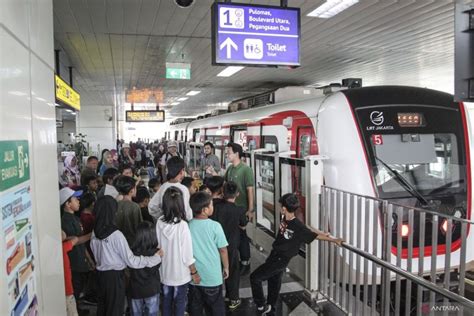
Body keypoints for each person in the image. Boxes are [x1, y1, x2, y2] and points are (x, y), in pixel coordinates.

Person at [250, 193, 343, 315]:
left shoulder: (297, 225)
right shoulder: (286, 218)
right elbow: (308, 228)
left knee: (255, 278)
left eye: (280, 206)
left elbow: (311, 234)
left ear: (284, 208)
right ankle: (271, 306)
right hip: (275, 254)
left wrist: (333, 239)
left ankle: (261, 306)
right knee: (274, 280)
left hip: (281, 258)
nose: (279, 208)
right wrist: (320, 232)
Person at [91, 196, 163, 316]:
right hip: (114, 277)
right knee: (115, 309)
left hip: (101, 276)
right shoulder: (116, 235)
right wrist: (155, 258)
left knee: (103, 308)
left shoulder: (95, 232)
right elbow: (131, 261)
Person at [156, 187, 199, 316]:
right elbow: (187, 255)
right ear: (181, 204)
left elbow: (158, 246)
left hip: (164, 271)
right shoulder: (183, 226)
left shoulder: (159, 222)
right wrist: (194, 272)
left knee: (166, 301)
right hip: (180, 273)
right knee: (180, 302)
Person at [188, 192, 229, 316]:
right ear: (205, 210)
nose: (213, 207)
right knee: (216, 308)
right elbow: (223, 249)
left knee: (196, 307)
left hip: (193, 276)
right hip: (212, 277)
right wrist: (226, 267)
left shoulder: (188, 226)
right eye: (211, 205)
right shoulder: (215, 226)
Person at [210, 181, 248, 310]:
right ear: (237, 194)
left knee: (216, 270)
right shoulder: (238, 210)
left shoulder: (216, 207)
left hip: (215, 245)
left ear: (223, 192)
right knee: (232, 271)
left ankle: (215, 298)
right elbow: (243, 225)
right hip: (231, 246)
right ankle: (233, 299)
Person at [224, 142, 254, 275]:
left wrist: (250, 209)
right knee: (234, 235)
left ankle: (245, 263)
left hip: (241, 209)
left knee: (242, 236)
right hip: (230, 208)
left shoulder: (246, 170)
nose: (227, 154)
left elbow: (250, 190)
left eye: (229, 152)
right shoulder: (230, 169)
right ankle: (234, 261)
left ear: (237, 153)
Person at [60, 188, 93, 304]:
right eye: (75, 199)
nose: (79, 202)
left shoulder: (75, 218)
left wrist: (88, 259)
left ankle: (78, 308)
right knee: (75, 289)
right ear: (68, 204)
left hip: (81, 260)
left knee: (78, 289)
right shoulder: (65, 221)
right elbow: (75, 240)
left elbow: (80, 241)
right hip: (74, 263)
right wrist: (92, 235)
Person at [129, 221, 162, 316]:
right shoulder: (157, 253)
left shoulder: (131, 253)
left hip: (135, 289)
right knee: (152, 313)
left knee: (136, 313)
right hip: (152, 288)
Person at [149, 157, 193, 221]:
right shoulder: (183, 189)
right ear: (181, 171)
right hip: (180, 225)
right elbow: (188, 214)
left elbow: (151, 207)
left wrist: (163, 216)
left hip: (165, 224)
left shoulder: (163, 187)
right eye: (184, 170)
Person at [114, 176, 143, 245]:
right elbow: (139, 227)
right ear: (132, 190)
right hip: (133, 243)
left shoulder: (115, 205)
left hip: (118, 242)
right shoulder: (134, 206)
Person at [62, 230, 79, 316]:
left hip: (59, 290)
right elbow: (75, 239)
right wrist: (65, 238)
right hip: (67, 290)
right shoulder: (63, 247)